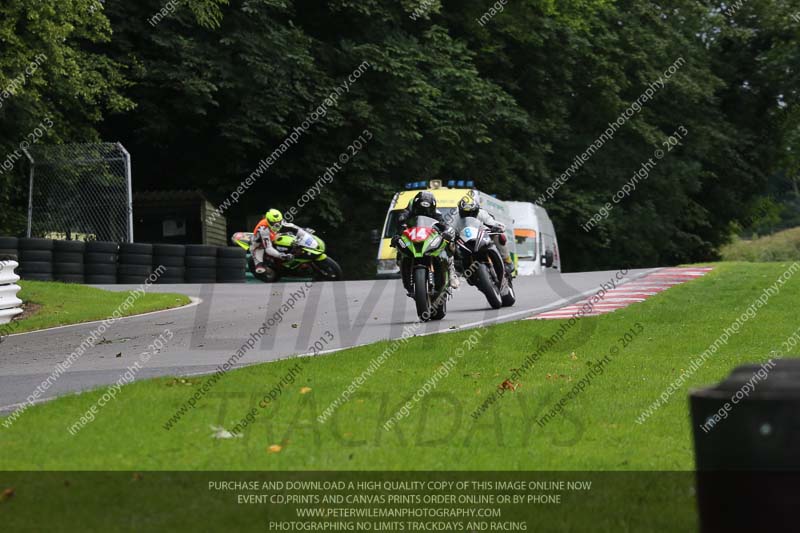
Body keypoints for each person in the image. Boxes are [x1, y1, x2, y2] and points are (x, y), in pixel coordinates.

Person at [390, 191, 459, 293]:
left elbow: (444, 225)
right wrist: (397, 235)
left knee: (448, 244)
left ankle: (451, 271)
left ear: (432, 207)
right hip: (412, 238)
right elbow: (400, 223)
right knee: (399, 248)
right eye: (421, 209)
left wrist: (448, 232)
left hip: (429, 238)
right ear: (416, 205)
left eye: (427, 210)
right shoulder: (408, 211)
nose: (424, 212)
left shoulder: (436, 213)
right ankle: (405, 271)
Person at [456, 198, 514, 275]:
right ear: (460, 210)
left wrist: (495, 227)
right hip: (465, 240)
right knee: (450, 245)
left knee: (498, 236)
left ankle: (507, 261)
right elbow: (449, 228)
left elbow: (492, 224)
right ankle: (456, 268)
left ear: (476, 211)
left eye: (471, 213)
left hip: (482, 235)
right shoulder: (456, 217)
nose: (468, 215)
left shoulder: (482, 214)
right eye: (465, 213)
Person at [251, 209, 295, 274]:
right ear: (268, 220)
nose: (277, 225)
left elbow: (290, 225)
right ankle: (259, 264)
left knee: (290, 234)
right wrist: (280, 255)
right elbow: (268, 248)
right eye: (273, 223)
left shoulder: (279, 220)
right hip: (260, 242)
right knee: (259, 267)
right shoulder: (263, 229)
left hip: (273, 236)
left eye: (279, 222)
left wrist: (302, 230)